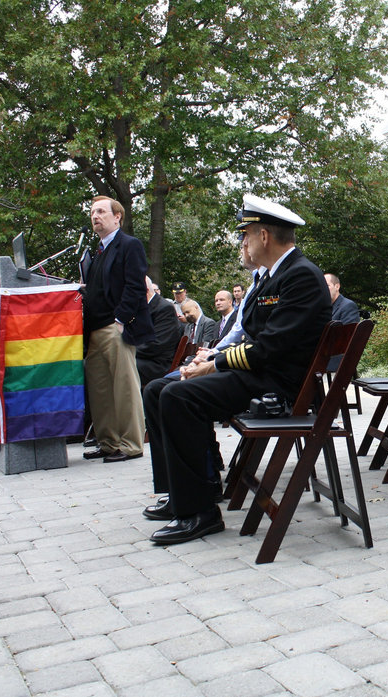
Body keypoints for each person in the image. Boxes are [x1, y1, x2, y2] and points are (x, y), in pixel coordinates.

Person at [141, 193, 332, 545]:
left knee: (178, 397)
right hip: (259, 375)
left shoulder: (300, 276)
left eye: (246, 234)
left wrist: (214, 365)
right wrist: (212, 362)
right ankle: (187, 492)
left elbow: (269, 348)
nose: (243, 241)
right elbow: (252, 338)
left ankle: (200, 513)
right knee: (157, 390)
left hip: (278, 386)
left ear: (263, 236)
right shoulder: (277, 276)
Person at [81, 195, 155, 464]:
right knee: (100, 391)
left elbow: (136, 286)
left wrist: (120, 321)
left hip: (116, 328)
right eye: (92, 212)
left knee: (124, 388)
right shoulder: (97, 252)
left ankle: (132, 443)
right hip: (94, 331)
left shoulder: (128, 245)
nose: (95, 216)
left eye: (101, 211)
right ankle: (108, 442)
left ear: (117, 217)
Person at [135, 276, 183, 387]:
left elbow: (156, 344)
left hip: (156, 364)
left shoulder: (164, 309)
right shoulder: (142, 308)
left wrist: (127, 349)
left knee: (120, 364)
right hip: (144, 358)